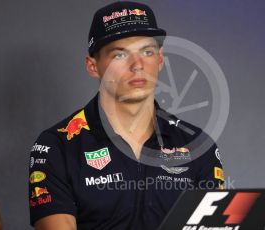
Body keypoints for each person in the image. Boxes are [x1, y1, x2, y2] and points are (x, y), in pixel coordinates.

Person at [28, 1, 224, 229]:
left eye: (147, 51)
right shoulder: (57, 146)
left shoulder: (197, 144)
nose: (137, 65)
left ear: (160, 60)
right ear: (93, 66)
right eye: (120, 54)